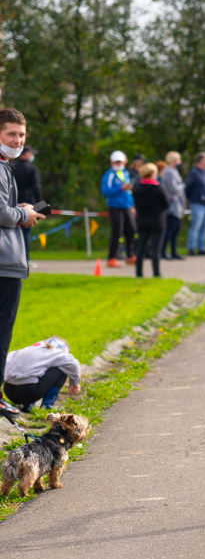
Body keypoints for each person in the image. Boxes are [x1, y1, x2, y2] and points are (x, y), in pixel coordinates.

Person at [0, 108, 45, 419]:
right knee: (2, 333)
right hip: (4, 262)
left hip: (7, 260)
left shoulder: (7, 166)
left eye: (21, 135)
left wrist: (18, 208)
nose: (17, 140)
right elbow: (1, 213)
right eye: (11, 134)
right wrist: (24, 214)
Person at [4, 336, 81, 412]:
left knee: (36, 369)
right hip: (28, 392)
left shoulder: (32, 348)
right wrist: (75, 383)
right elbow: (74, 364)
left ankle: (28, 405)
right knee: (61, 369)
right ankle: (47, 407)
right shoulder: (57, 352)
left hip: (8, 391)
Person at [132, 162, 169, 278]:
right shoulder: (158, 188)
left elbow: (135, 203)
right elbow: (166, 204)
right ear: (153, 174)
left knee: (141, 248)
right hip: (156, 221)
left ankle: (139, 273)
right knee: (155, 249)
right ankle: (156, 273)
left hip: (142, 221)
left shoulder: (137, 188)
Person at [102, 151, 137, 268]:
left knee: (131, 230)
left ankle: (130, 255)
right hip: (115, 207)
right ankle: (112, 258)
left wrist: (132, 205)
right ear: (112, 162)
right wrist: (120, 188)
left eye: (120, 161)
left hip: (127, 206)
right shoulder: (109, 175)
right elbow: (106, 191)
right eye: (116, 162)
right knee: (117, 232)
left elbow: (129, 192)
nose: (118, 163)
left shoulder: (125, 173)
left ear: (124, 162)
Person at [11, 145, 41, 265]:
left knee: (13, 231)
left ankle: (15, 258)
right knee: (26, 232)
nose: (32, 156)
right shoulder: (32, 169)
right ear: (26, 154)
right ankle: (26, 258)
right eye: (31, 153)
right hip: (29, 204)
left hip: (13, 204)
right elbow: (36, 187)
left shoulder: (11, 167)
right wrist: (41, 204)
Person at [184, 152, 205, 256]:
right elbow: (187, 187)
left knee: (204, 227)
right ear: (201, 161)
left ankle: (201, 248)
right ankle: (191, 248)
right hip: (197, 204)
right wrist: (191, 198)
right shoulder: (194, 173)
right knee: (195, 227)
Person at [161, 151, 186, 260]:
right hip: (171, 206)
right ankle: (163, 252)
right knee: (169, 230)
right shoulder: (168, 172)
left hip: (177, 205)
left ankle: (174, 251)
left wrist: (180, 187)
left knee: (175, 230)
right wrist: (182, 186)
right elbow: (174, 188)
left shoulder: (174, 171)